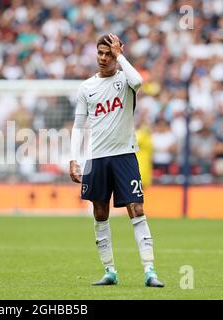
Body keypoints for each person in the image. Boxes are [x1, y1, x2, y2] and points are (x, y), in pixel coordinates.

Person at [69, 34, 164, 288]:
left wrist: (120, 54)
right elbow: (79, 126)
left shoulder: (125, 79)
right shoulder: (86, 88)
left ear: (116, 56)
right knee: (100, 213)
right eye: (100, 53)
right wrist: (73, 159)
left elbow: (139, 80)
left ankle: (149, 270)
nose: (103, 58)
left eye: (108, 54)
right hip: (96, 159)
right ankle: (109, 271)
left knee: (137, 209)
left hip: (124, 155)